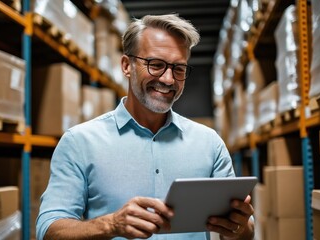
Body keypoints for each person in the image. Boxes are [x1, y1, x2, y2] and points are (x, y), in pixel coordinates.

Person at [36, 14, 255, 240]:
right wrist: (110, 224)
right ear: (126, 66)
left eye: (178, 69)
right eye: (156, 65)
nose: (169, 79)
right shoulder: (79, 142)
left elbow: (245, 232)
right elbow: (49, 230)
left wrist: (240, 227)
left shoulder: (209, 144)